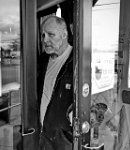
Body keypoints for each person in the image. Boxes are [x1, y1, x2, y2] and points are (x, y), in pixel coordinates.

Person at [37, 16, 73, 150]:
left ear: (64, 35)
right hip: (42, 135)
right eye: (43, 35)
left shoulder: (76, 61)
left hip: (63, 142)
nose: (45, 40)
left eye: (51, 34)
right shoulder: (42, 61)